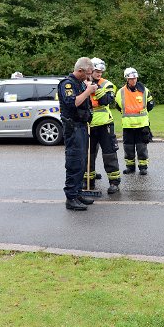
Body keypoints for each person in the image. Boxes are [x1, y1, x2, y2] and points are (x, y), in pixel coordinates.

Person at [58, 57, 97, 211]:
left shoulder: (80, 83)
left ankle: (78, 192)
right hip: (72, 128)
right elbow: (72, 102)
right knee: (74, 162)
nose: (89, 76)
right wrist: (88, 91)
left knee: (82, 162)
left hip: (81, 126)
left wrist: (87, 88)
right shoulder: (67, 84)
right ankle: (71, 198)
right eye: (88, 73)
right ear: (80, 70)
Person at [86, 58, 121, 194]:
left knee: (109, 153)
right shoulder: (82, 83)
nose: (99, 74)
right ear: (90, 70)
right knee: (89, 154)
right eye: (96, 71)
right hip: (88, 124)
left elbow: (106, 100)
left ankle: (114, 182)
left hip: (105, 124)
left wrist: (95, 88)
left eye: (101, 71)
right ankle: (89, 181)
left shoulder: (108, 84)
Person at [115, 67, 154, 175]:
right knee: (128, 147)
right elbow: (118, 106)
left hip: (142, 125)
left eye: (135, 78)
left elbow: (150, 105)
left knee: (142, 147)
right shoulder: (121, 92)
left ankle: (143, 167)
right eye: (131, 79)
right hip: (128, 126)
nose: (133, 80)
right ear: (127, 79)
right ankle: (130, 167)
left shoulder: (144, 91)